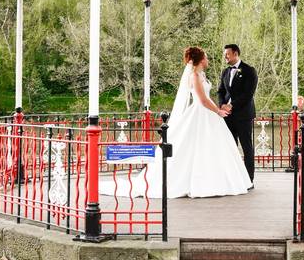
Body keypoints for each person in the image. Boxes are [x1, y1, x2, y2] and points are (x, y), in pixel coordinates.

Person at [99, 46, 251, 199]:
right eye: (205, 57)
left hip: (209, 114)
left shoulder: (201, 74)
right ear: (200, 60)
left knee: (212, 146)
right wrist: (218, 111)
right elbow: (203, 100)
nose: (208, 59)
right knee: (196, 146)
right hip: (200, 112)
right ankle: (197, 181)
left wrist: (218, 110)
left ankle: (218, 180)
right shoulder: (194, 76)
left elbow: (209, 97)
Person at [217, 44, 258, 186]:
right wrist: (222, 104)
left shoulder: (249, 70)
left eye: (227, 54)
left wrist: (232, 105)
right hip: (227, 115)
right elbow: (221, 91)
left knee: (247, 147)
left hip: (243, 115)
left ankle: (248, 180)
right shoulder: (225, 72)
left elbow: (248, 94)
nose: (225, 57)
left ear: (235, 53)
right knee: (230, 147)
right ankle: (233, 179)